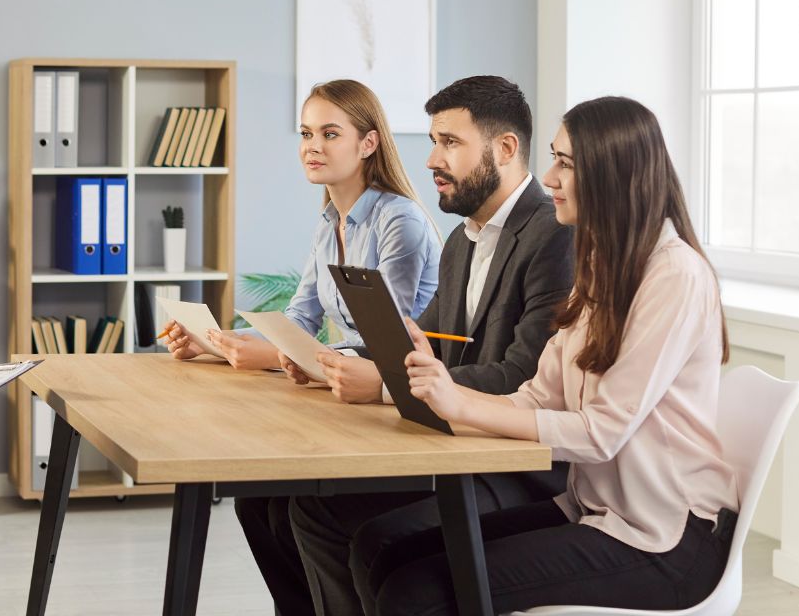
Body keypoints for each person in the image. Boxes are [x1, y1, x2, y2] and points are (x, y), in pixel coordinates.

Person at [366, 96, 738, 615]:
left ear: (612, 174)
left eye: (565, 163)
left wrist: (461, 406)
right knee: (384, 555)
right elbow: (538, 397)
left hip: (665, 539)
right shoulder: (600, 268)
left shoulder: (674, 275)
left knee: (418, 590)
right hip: (594, 511)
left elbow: (602, 431)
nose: (548, 177)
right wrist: (437, 395)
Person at [282, 75, 575, 616]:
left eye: (450, 143)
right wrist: (335, 362)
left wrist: (388, 386)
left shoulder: (554, 234)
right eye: (434, 141)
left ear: (505, 149)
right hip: (458, 443)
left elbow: (523, 379)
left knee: (324, 514)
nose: (431, 159)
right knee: (278, 505)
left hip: (520, 467)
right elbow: (419, 341)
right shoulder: (464, 238)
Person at [164, 79, 441, 614]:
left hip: (399, 404)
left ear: (368, 143)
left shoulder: (398, 220)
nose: (313, 146)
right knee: (256, 500)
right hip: (347, 398)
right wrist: (218, 343)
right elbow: (299, 318)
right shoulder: (328, 222)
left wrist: (274, 356)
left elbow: (383, 343)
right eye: (306, 132)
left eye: (330, 133)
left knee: (298, 507)